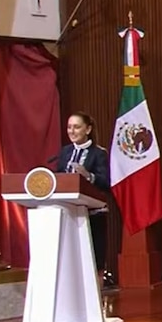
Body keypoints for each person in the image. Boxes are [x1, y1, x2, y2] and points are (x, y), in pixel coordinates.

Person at [57, 112, 113, 288]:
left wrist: (88, 176)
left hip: (93, 214)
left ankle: (96, 298)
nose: (72, 131)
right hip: (69, 212)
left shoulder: (99, 154)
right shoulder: (65, 152)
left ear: (88, 129)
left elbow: (106, 182)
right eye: (69, 127)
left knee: (94, 257)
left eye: (77, 127)